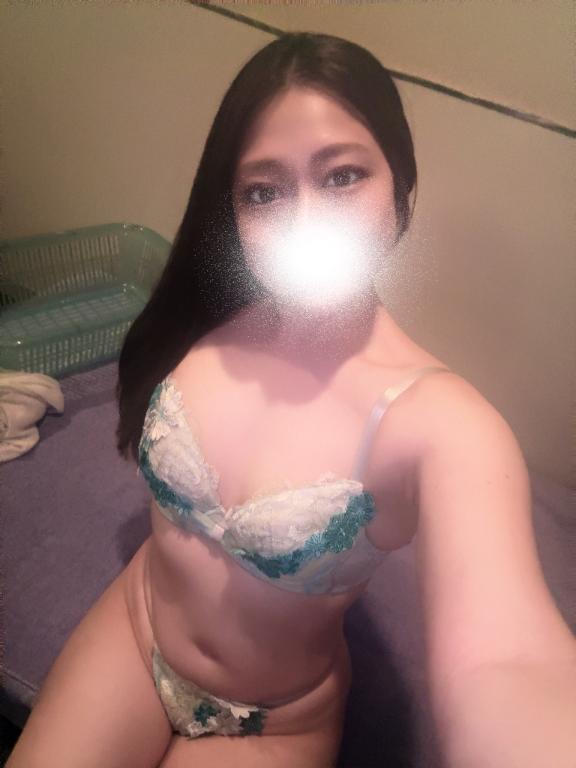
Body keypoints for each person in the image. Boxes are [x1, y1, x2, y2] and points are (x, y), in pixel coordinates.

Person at [8, 31, 575, 768]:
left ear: (400, 186)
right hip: (132, 631)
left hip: (270, 721)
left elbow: (509, 662)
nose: (305, 221)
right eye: (264, 191)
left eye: (342, 176)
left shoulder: (440, 424)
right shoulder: (206, 309)